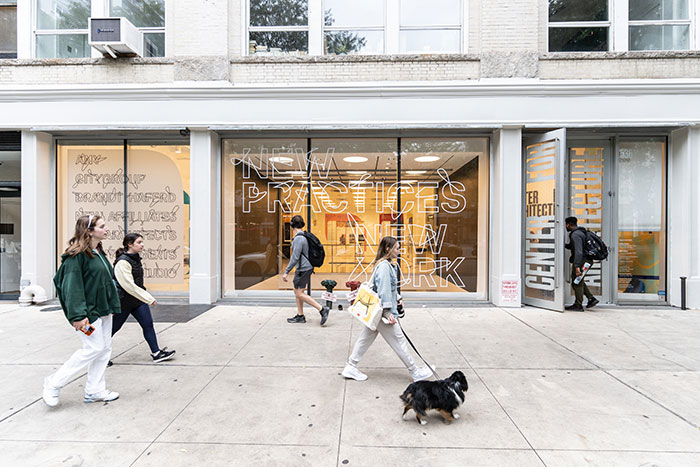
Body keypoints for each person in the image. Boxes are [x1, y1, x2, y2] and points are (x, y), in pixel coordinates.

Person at [43, 215, 121, 407]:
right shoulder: (76, 257)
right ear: (89, 231)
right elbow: (71, 287)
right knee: (93, 348)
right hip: (89, 313)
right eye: (102, 226)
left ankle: (95, 390)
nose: (107, 229)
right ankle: (53, 383)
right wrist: (78, 316)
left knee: (104, 349)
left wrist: (111, 304)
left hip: (103, 309)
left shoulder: (97, 252)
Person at [341, 236, 433, 382]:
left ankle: (351, 366)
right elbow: (383, 290)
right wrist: (387, 311)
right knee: (399, 341)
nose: (399, 250)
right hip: (382, 312)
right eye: (397, 248)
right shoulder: (384, 266)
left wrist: (398, 298)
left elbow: (389, 289)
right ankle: (415, 371)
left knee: (365, 338)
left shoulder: (387, 264)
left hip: (377, 311)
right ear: (388, 249)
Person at [110, 233, 176, 364]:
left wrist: (143, 298)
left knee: (148, 325)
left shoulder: (135, 259)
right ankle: (99, 356)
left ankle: (156, 353)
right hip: (124, 302)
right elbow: (128, 285)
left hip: (137, 301)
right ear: (130, 244)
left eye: (142, 242)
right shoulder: (122, 262)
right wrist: (148, 297)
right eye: (139, 242)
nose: (142, 245)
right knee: (111, 329)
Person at [282, 215, 330, 325]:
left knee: (299, 293)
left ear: (292, 225)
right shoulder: (303, 236)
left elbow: (295, 257)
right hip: (305, 268)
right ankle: (300, 316)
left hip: (303, 269)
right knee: (298, 292)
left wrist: (286, 271)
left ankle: (322, 309)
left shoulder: (299, 239)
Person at [565, 216, 599, 311]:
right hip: (586, 260)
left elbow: (579, 252)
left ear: (568, 224)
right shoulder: (581, 232)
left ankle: (578, 305)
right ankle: (591, 298)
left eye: (565, 225)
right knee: (579, 281)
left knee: (577, 282)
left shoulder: (575, 234)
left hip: (582, 261)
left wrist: (577, 267)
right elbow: (577, 247)